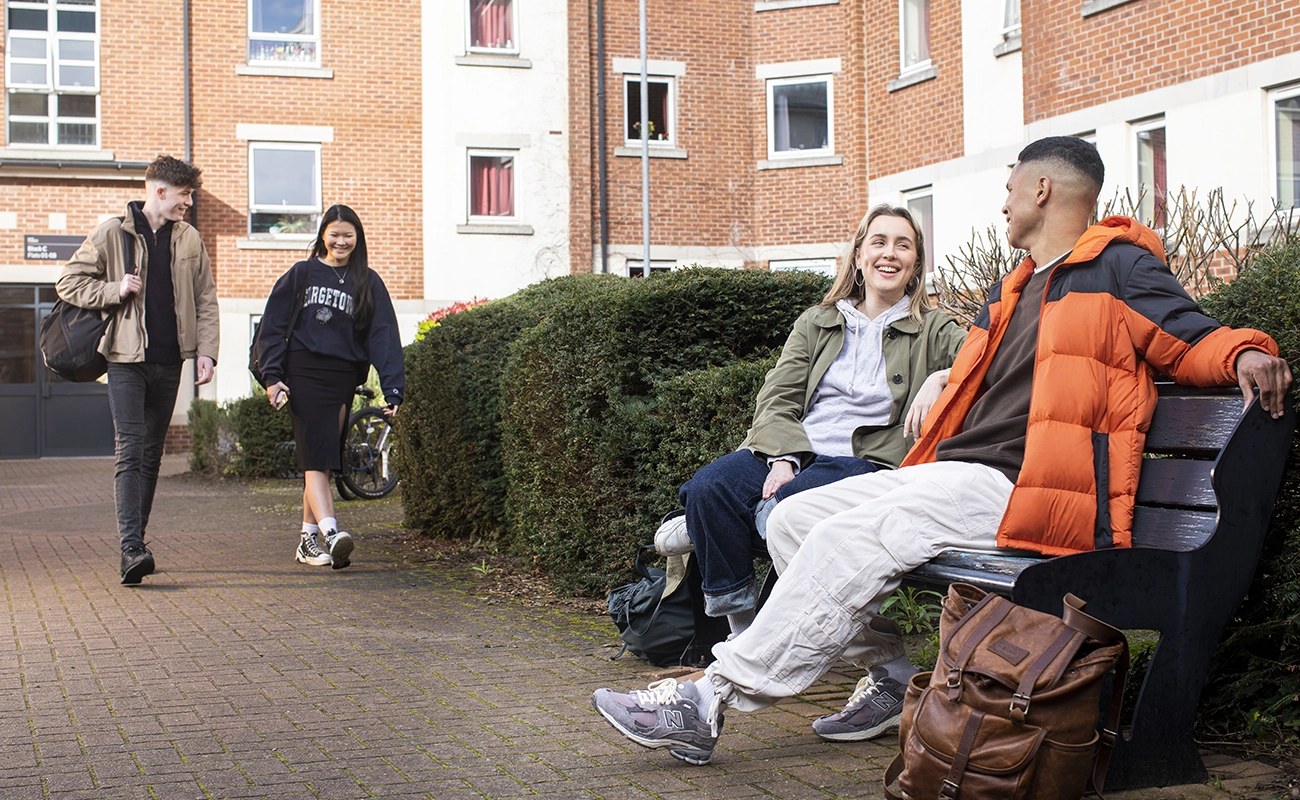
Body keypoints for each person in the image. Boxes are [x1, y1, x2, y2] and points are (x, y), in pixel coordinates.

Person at [591, 136, 1293, 765]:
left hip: (1024, 487)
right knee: (790, 520)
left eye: (1010, 188)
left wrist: (1247, 354)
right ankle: (891, 675)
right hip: (953, 471)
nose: (1004, 204)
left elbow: (1189, 333)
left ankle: (710, 698)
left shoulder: (1117, 269)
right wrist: (939, 375)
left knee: (856, 534)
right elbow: (979, 373)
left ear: (1042, 190)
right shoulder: (1013, 290)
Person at [653, 205, 965, 650]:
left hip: (864, 463)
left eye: (903, 244)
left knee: (790, 506)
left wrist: (941, 377)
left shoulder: (933, 328)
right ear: (858, 255)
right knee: (710, 487)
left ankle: (719, 523)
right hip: (796, 449)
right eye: (878, 242)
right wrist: (784, 458)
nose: (889, 253)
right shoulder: (817, 322)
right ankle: (742, 635)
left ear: (916, 262)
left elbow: (988, 358)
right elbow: (777, 398)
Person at [57, 155, 219, 586]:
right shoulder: (113, 232)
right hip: (125, 360)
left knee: (152, 454)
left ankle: (138, 544)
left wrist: (207, 352)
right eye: (184, 195)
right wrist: (115, 289)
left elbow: (206, 299)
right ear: (159, 191)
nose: (188, 203)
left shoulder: (190, 240)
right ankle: (130, 548)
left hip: (170, 361)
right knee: (130, 450)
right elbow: (69, 282)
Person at [253, 205, 405, 570]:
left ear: (358, 238)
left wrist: (393, 388)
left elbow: (383, 336)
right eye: (334, 234)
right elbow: (271, 327)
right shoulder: (302, 274)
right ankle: (332, 532)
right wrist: (273, 377)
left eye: (348, 235)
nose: (341, 241)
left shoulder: (367, 281)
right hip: (302, 372)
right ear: (323, 234)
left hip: (342, 377)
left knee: (318, 457)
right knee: (317, 453)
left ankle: (307, 541)